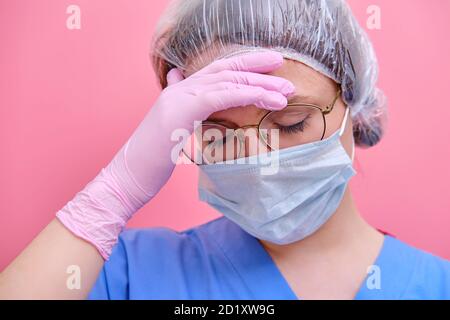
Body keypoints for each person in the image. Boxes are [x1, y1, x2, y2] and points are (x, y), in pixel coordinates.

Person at [1, 0, 450, 300]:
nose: (256, 160)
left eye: (290, 122)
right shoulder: (126, 272)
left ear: (356, 106)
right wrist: (112, 195)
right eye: (219, 131)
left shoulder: (436, 286)